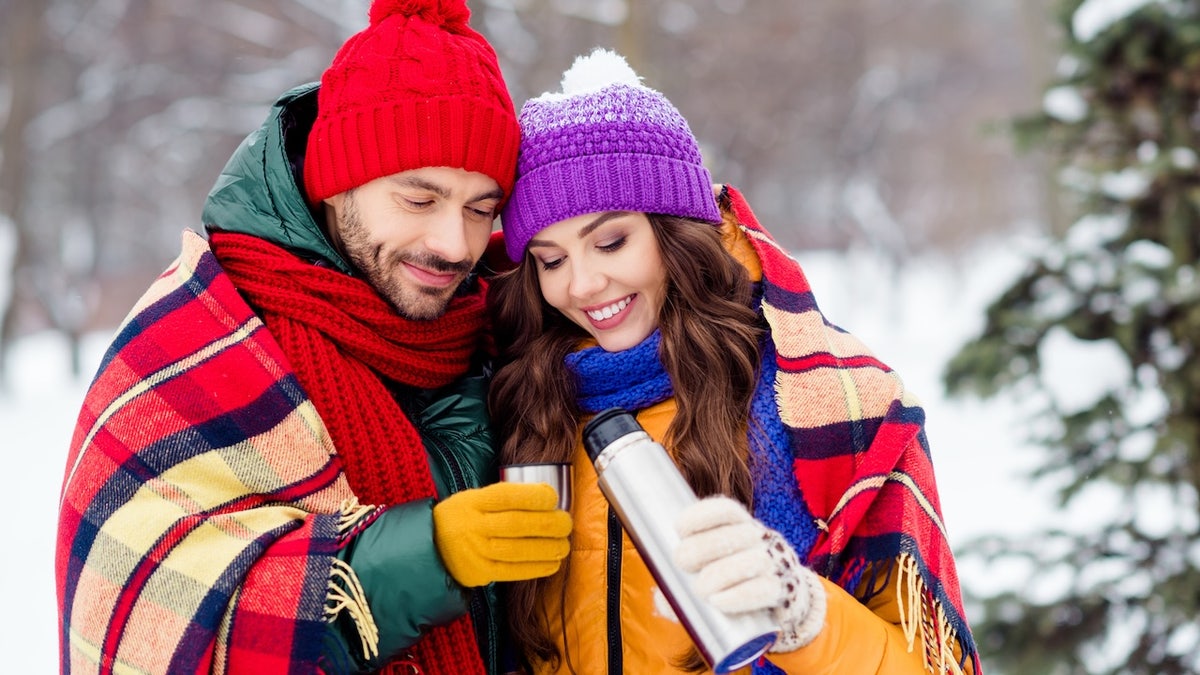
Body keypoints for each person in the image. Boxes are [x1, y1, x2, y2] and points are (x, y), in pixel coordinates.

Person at [54, 1, 573, 673]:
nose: (455, 244)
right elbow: (142, 624)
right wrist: (420, 559)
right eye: (419, 199)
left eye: (480, 208)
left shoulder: (506, 326)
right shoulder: (193, 340)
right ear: (336, 184)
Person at [487, 48, 982, 675]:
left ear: (676, 232)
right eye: (551, 260)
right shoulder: (520, 399)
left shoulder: (835, 401)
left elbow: (930, 664)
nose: (582, 285)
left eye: (611, 241)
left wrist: (805, 617)